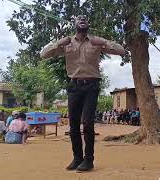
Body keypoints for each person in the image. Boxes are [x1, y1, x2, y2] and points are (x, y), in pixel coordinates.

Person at [40, 15, 125, 171]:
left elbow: (122, 51)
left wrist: (104, 42)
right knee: (73, 126)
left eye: (85, 18)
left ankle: (89, 160)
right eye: (79, 18)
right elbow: (43, 54)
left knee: (87, 123)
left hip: (91, 86)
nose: (83, 19)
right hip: (74, 87)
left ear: (88, 24)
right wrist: (58, 43)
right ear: (74, 24)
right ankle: (77, 158)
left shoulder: (95, 41)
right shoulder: (66, 43)